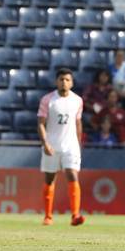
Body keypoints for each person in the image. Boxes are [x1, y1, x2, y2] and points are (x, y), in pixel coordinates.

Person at [37, 68, 85, 226]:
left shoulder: (77, 100)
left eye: (67, 80)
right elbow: (41, 124)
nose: (64, 82)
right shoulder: (48, 100)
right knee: (50, 179)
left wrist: (78, 143)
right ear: (56, 81)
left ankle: (75, 215)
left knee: (72, 175)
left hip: (70, 145)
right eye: (61, 79)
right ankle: (48, 216)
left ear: (72, 82)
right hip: (52, 144)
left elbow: (78, 123)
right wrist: (45, 143)